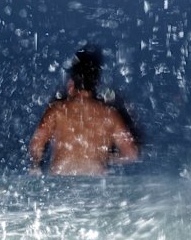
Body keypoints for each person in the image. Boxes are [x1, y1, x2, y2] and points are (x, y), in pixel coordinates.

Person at [29, 46, 138, 176]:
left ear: (71, 84)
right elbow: (131, 154)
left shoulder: (58, 110)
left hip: (61, 182)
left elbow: (36, 144)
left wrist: (35, 166)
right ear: (95, 84)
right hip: (96, 183)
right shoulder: (110, 114)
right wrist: (106, 159)